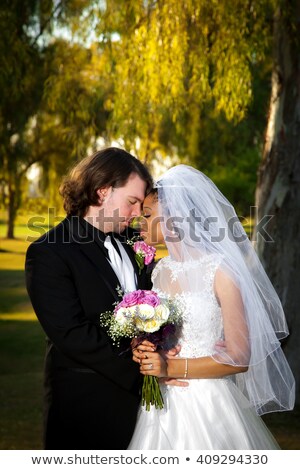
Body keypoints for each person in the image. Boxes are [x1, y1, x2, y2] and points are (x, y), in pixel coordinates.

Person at [128, 164, 295, 450]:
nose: (139, 223)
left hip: (207, 404)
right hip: (162, 405)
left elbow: (240, 358)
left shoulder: (221, 271)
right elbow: (160, 333)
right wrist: (142, 345)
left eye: (147, 215)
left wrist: (171, 366)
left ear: (174, 217)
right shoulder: (160, 271)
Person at [25, 147, 154, 450]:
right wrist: (143, 374)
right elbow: (71, 334)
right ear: (102, 192)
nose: (138, 213)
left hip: (145, 414)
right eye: (132, 202)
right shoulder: (50, 252)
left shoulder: (135, 243)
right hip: (86, 406)